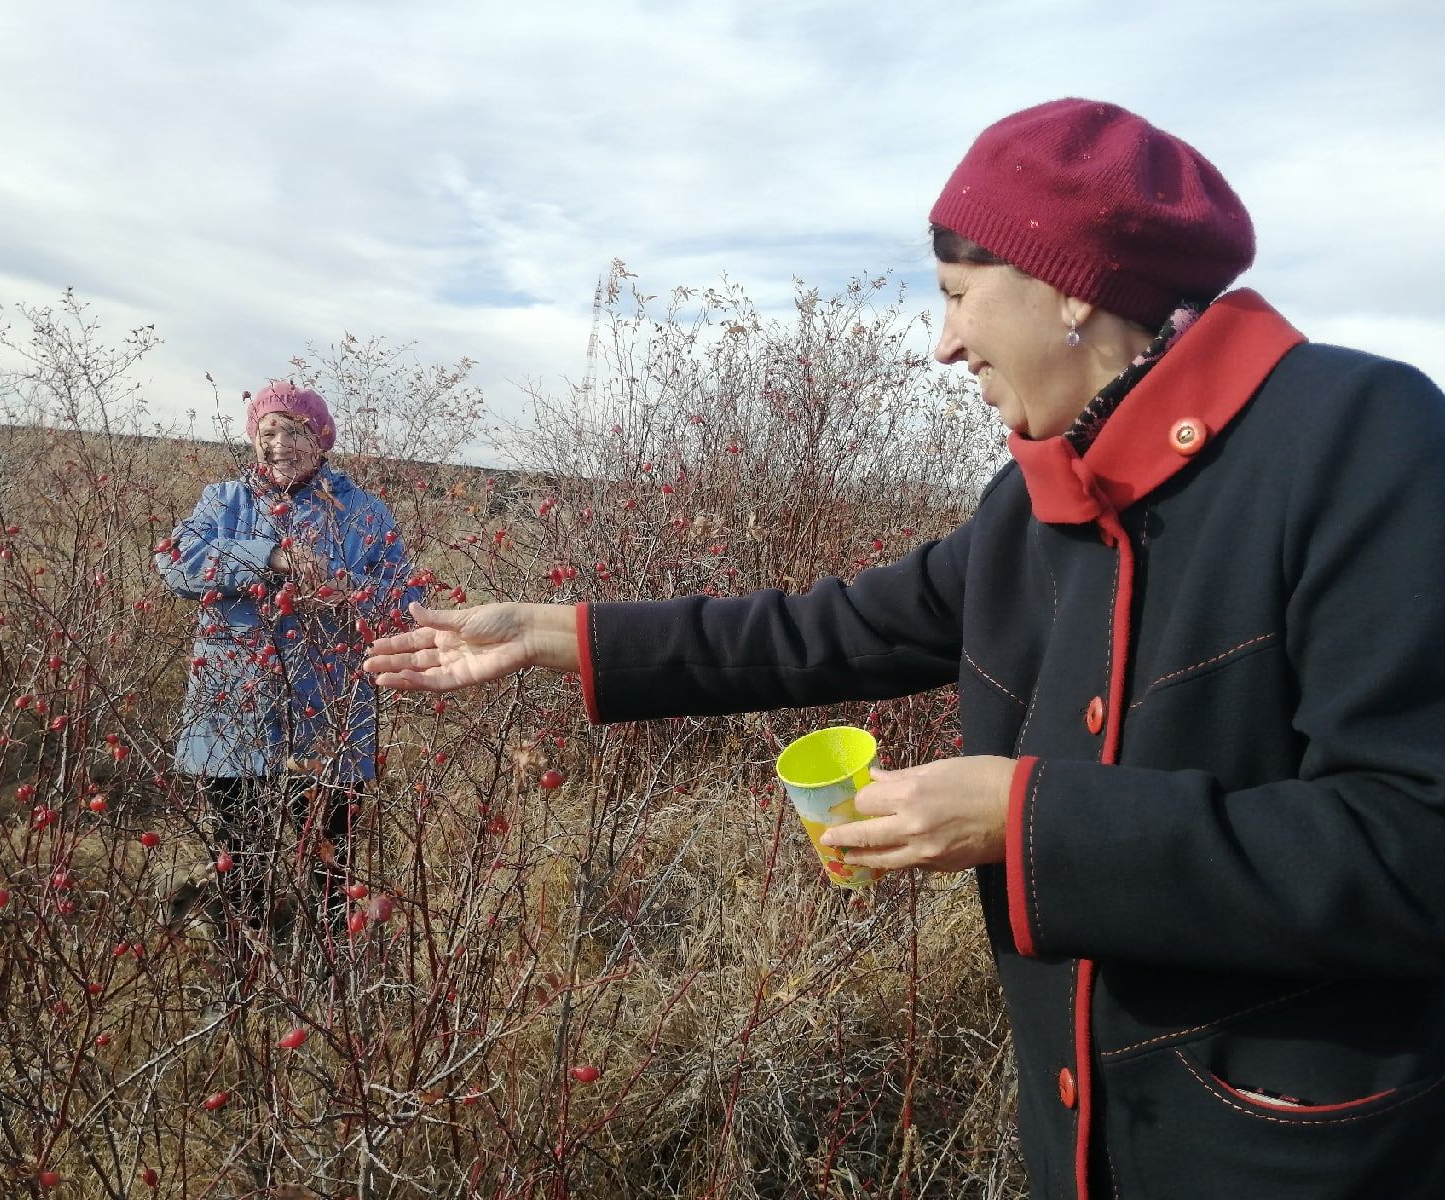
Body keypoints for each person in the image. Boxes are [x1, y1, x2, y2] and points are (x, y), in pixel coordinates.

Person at [360, 98, 1445, 1197]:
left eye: (958, 294)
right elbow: (830, 628)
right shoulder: (1033, 505)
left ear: (1071, 284)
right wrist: (553, 631)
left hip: (1299, 1153)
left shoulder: (1360, 438)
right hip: (1083, 1153)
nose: (944, 343)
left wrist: (1023, 818)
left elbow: (1413, 842)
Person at [159, 380, 421, 941]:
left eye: (296, 431)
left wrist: (344, 590)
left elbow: (401, 602)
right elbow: (177, 565)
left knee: (331, 859)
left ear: (322, 439)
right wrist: (271, 557)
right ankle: (242, 970)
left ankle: (331, 980)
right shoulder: (224, 502)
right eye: (268, 431)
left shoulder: (362, 513)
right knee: (238, 853)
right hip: (235, 700)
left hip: (327, 704)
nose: (280, 443)